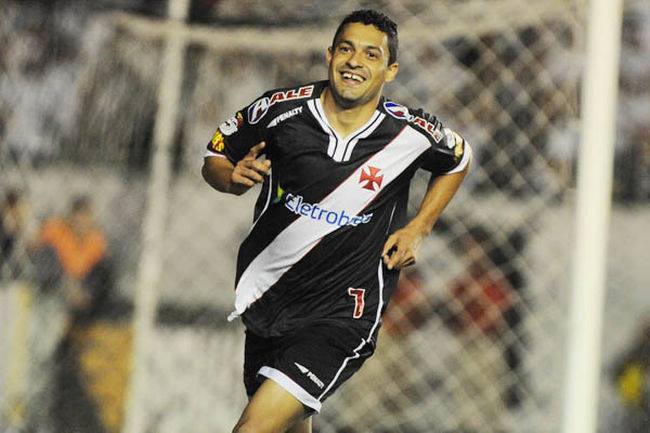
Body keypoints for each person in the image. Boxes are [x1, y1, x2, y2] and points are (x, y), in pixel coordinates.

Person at [202, 10, 471, 433]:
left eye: (371, 54)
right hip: (269, 300)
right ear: (329, 55)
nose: (354, 62)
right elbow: (215, 155)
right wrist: (230, 179)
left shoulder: (409, 131)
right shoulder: (280, 110)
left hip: (343, 314)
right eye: (346, 49)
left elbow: (458, 158)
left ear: (390, 70)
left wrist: (420, 226)